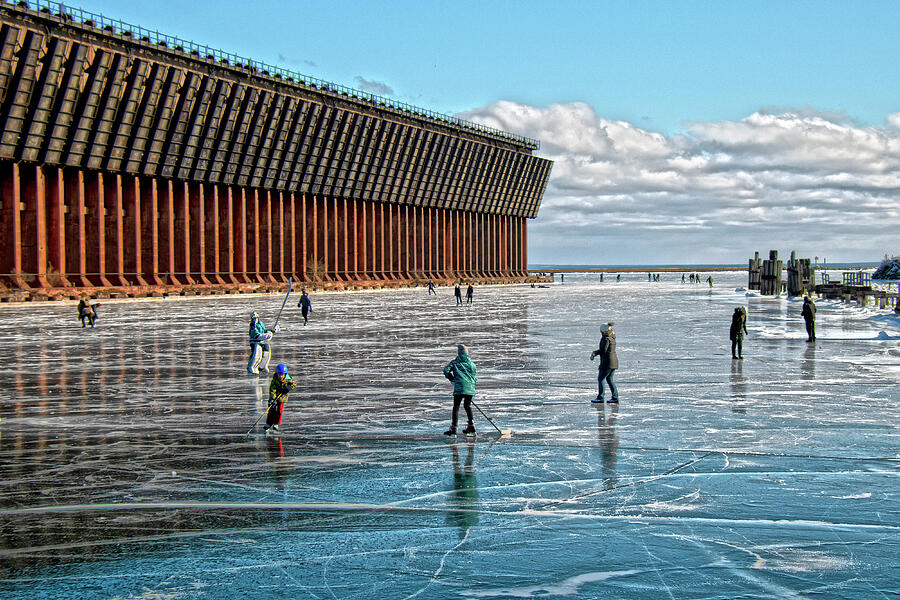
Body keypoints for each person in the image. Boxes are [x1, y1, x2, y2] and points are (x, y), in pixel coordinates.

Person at [443, 344, 478, 436]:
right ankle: (471, 426)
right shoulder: (472, 364)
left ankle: (454, 428)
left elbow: (446, 370)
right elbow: (475, 377)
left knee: (456, 407)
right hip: (470, 388)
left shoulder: (455, 362)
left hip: (459, 388)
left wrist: (452, 379)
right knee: (467, 406)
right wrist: (470, 385)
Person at [590, 323, 619, 403]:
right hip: (613, 362)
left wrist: (594, 353)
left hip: (607, 363)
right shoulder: (612, 337)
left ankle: (600, 397)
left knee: (601, 379)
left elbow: (603, 350)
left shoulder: (605, 339)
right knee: (610, 380)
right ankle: (615, 397)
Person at [264, 363, 296, 433]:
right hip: (275, 397)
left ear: (285, 374)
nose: (280, 376)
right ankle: (269, 423)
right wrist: (273, 398)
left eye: (282, 375)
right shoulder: (275, 379)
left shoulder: (288, 379)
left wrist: (288, 388)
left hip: (282, 397)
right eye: (279, 375)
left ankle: (276, 423)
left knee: (279, 410)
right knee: (271, 410)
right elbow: (272, 389)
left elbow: (293, 384)